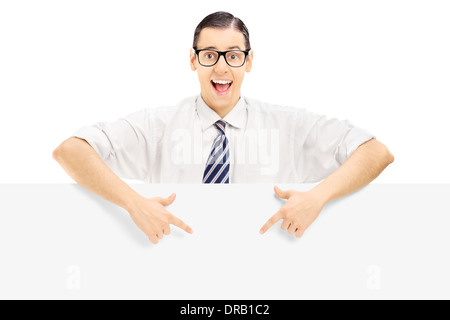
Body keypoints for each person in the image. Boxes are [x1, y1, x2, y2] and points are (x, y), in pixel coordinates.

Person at [53, 11, 394, 244]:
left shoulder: (287, 125)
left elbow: (376, 152)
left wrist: (318, 197)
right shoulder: (158, 125)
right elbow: (69, 150)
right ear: (192, 60)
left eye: (233, 55)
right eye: (209, 54)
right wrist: (133, 203)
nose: (221, 67)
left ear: (248, 61)